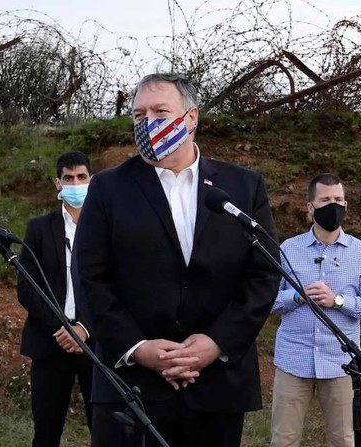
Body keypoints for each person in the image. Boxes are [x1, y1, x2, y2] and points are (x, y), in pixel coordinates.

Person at [73, 72, 281, 447]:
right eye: (139, 115)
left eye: (159, 111)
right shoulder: (108, 188)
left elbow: (264, 275)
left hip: (216, 387)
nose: (147, 123)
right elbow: (89, 276)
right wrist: (139, 348)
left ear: (191, 118)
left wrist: (216, 343)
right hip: (132, 388)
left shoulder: (243, 187)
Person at [270, 173, 361, 447]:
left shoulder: (360, 252)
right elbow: (269, 301)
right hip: (293, 359)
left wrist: (339, 301)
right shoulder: (288, 248)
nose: (331, 206)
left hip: (339, 363)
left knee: (344, 440)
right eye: (324, 200)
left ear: (345, 205)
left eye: (337, 200)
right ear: (309, 207)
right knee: (283, 439)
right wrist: (297, 297)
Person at [17, 151, 94, 447]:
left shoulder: (106, 226)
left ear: (92, 180)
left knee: (106, 428)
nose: (75, 184)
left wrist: (85, 328)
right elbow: (27, 286)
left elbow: (113, 286)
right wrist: (62, 329)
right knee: (46, 432)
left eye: (81, 177)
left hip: (96, 344)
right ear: (57, 183)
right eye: (68, 178)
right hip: (50, 343)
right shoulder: (39, 228)